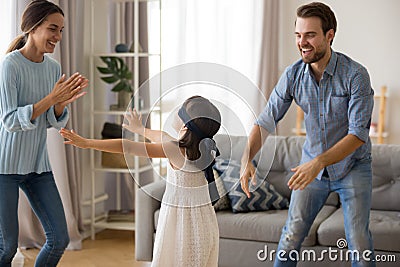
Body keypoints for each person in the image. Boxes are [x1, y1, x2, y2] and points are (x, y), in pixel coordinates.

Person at [240, 2, 374, 267]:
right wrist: (246, 159)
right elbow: (265, 121)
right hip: (311, 166)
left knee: (358, 242)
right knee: (290, 235)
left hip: (353, 166)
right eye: (298, 35)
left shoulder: (356, 75)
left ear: (329, 35)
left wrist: (317, 163)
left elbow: (358, 134)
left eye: (310, 35)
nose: (303, 42)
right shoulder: (293, 75)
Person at [59, 95, 221, 267]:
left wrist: (88, 143)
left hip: (182, 220)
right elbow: (162, 136)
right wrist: (140, 129)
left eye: (180, 111)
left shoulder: (175, 150)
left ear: (185, 125)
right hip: (204, 221)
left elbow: (127, 146)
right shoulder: (204, 148)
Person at [0, 0, 88, 266]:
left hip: (38, 165)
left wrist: (60, 103)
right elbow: (9, 121)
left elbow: (52, 121)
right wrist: (51, 98)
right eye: (53, 29)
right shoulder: (10, 66)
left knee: (59, 239)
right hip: (5, 167)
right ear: (32, 27)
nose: (58, 37)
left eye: (61, 30)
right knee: (6, 247)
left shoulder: (52, 68)